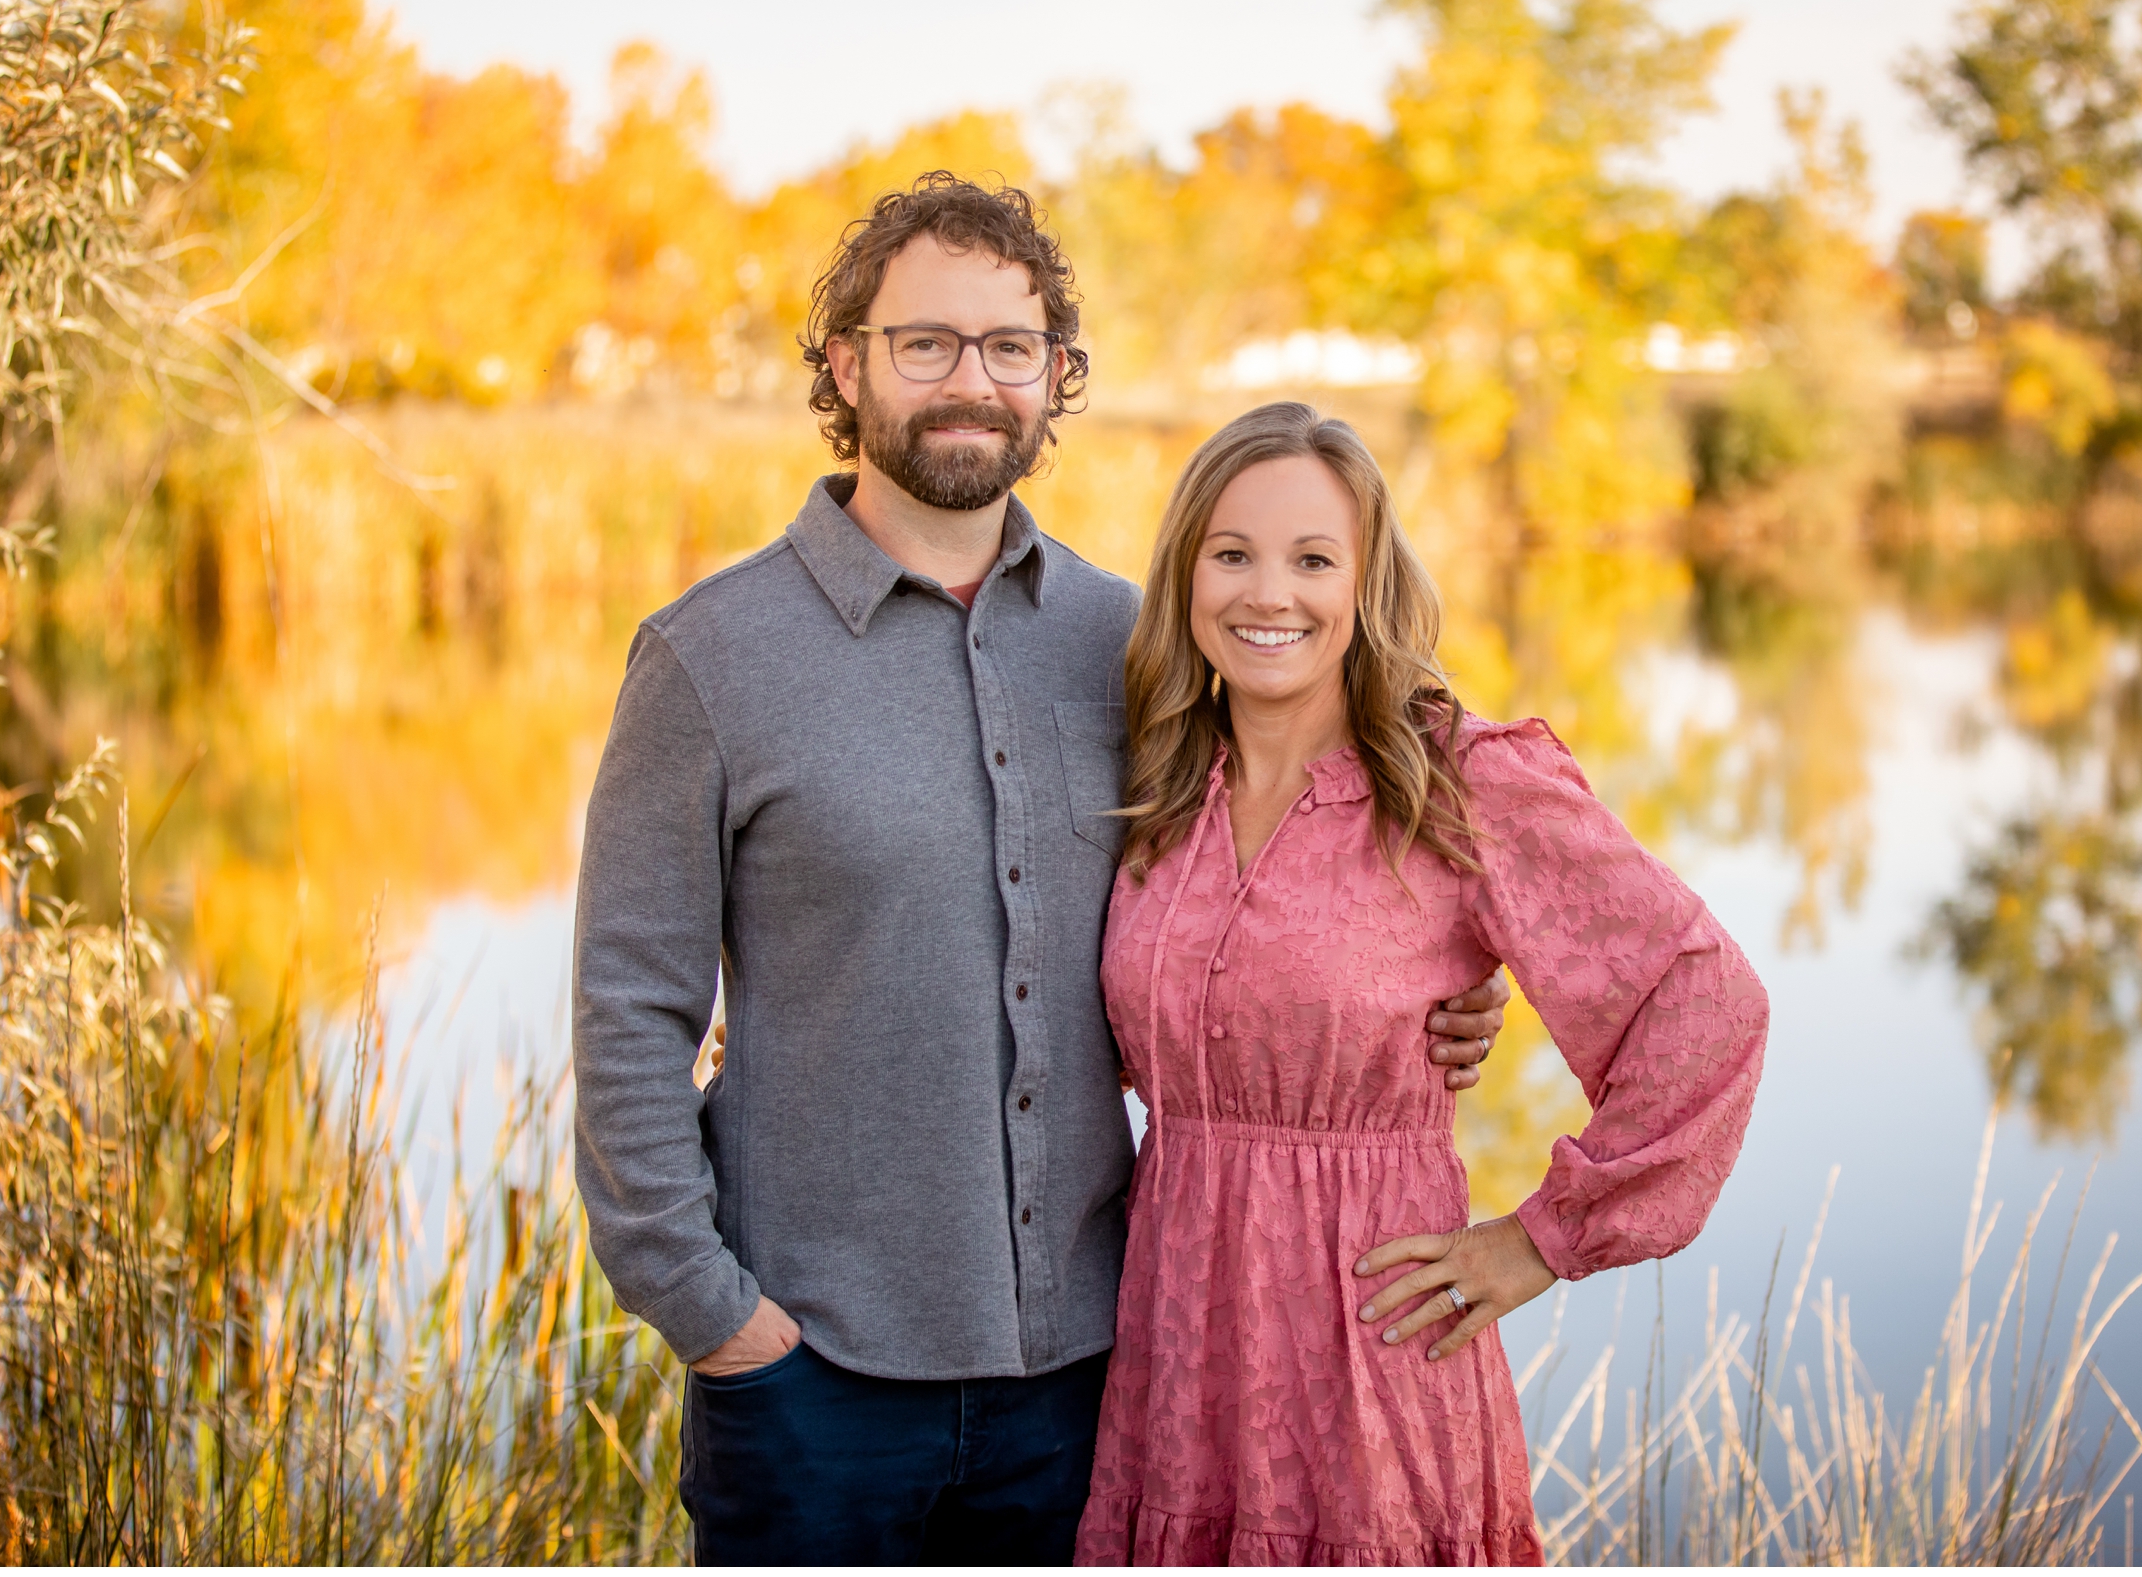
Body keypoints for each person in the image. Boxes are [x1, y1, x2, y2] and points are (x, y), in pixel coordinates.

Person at [570, 176, 1511, 1565]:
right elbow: (627, 1013)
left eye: (1012, 346)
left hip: (1096, 1372)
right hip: (811, 1381)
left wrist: (1413, 989)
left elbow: (1268, 867)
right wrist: (715, 1315)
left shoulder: (1134, 643)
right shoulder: (711, 658)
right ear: (846, 363)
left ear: (1055, 376)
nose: (973, 381)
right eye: (926, 342)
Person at [1075, 402, 1771, 1565]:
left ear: (1367, 582)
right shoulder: (1160, 779)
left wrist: (1543, 1238)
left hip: (1370, 1341)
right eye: (1232, 553)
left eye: (1312, 559)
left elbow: (1704, 1002)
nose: (1268, 594)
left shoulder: (1453, 782)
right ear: (1186, 571)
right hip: (1178, 1341)